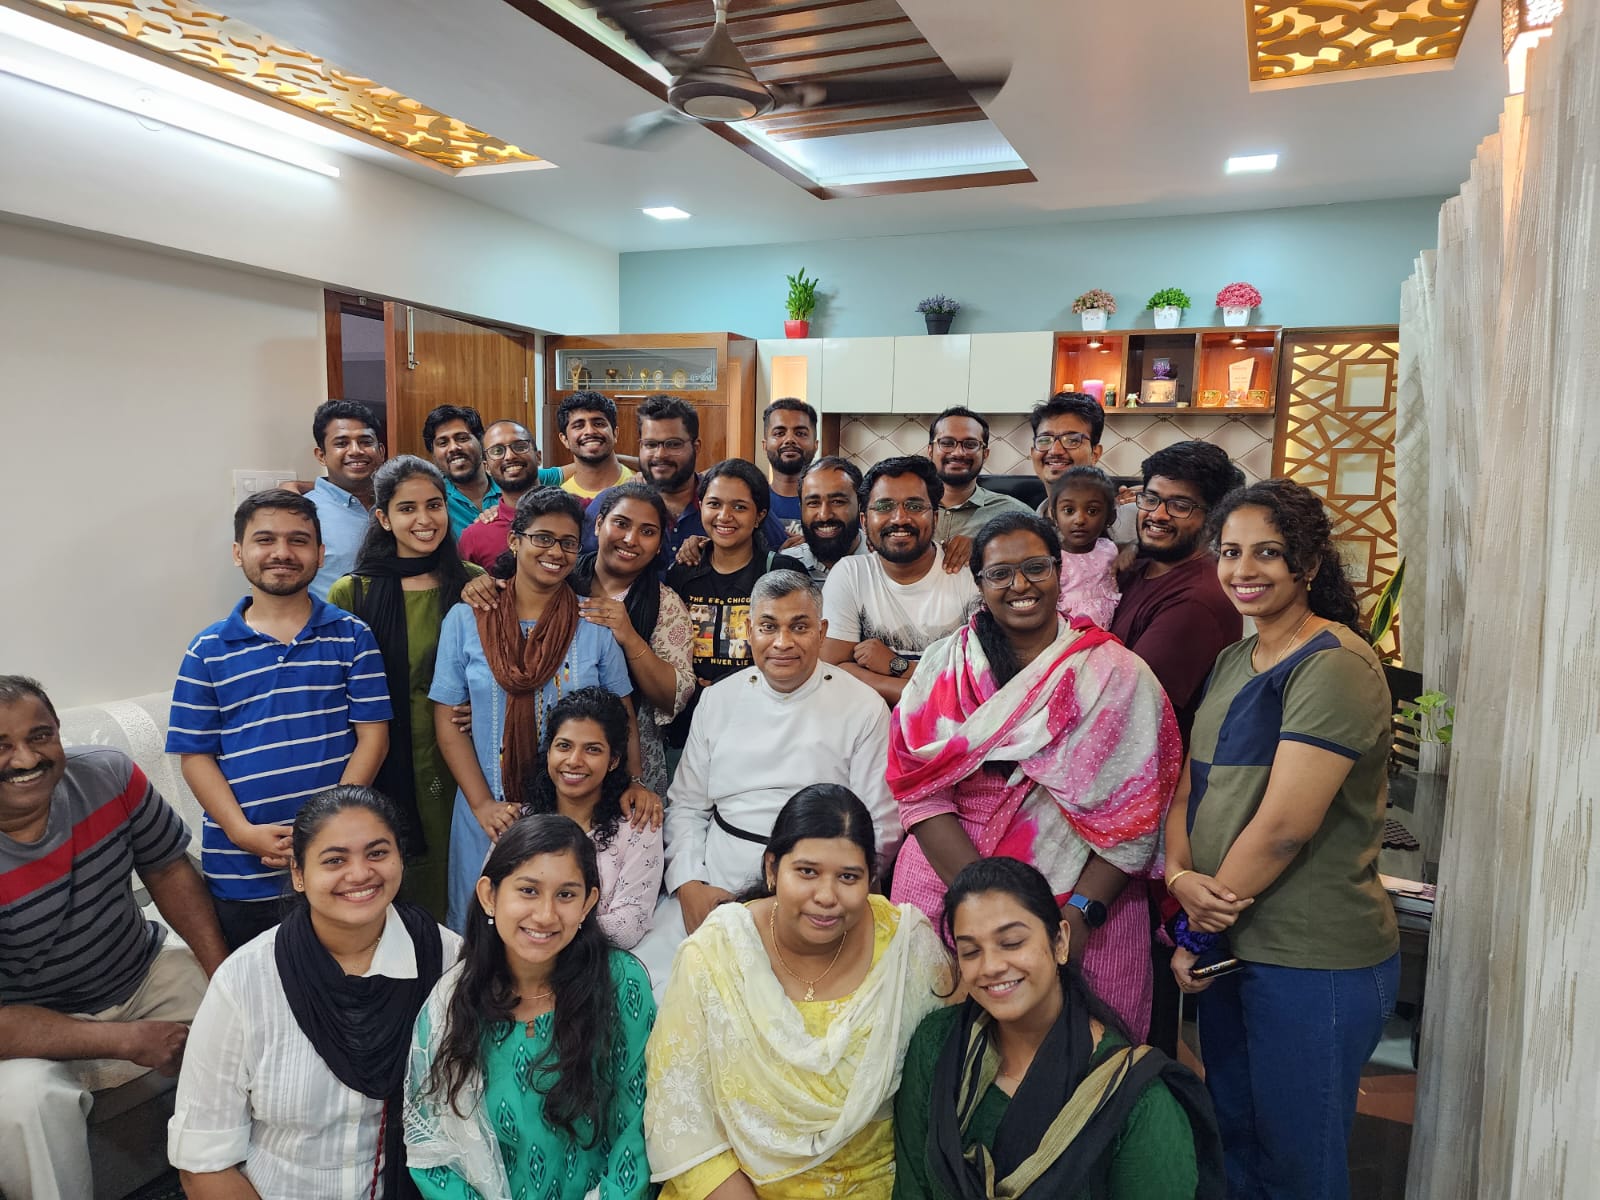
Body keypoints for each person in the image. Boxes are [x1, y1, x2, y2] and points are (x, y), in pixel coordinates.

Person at [1165, 479, 1399, 1200]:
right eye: (1230, 552)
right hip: (1234, 944)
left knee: (1300, 1164)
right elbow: (1189, 788)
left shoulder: (1334, 664)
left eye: (1267, 553)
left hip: (1311, 957)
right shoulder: (1234, 660)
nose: (1244, 570)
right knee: (1238, 1141)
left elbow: (1283, 829)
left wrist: (1197, 931)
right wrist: (1177, 877)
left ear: (1309, 563)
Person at [887, 513, 1181, 1040]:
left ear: (1059, 571)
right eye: (1000, 573)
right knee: (935, 1048)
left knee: (1084, 1057)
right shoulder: (943, 667)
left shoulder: (1116, 674)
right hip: (947, 878)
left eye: (1036, 568)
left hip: (1084, 900)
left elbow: (1136, 819)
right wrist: (982, 906)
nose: (1020, 585)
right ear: (979, 583)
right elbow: (919, 792)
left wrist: (1079, 918)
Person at [646, 785, 949, 1200]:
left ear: (871, 879)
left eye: (848, 877)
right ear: (772, 868)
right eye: (807, 872)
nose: (826, 896)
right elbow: (683, 1120)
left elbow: (941, 1097)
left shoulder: (905, 951)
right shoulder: (716, 954)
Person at [0, 676, 228, 1200]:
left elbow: (167, 869)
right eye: (2, 745)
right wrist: (126, 1040)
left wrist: (224, 978)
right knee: (23, 1105)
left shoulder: (108, 774)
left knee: (261, 1016)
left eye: (39, 736)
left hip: (141, 972)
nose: (25, 759)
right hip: (28, 1025)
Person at [170, 787, 459, 1200]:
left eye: (377, 853)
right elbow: (203, 1164)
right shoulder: (245, 982)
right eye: (335, 860)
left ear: (400, 859)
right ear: (299, 874)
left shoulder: (448, 961)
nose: (359, 874)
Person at [893, 857, 1223, 1200]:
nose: (990, 966)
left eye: (1012, 942)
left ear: (1061, 942)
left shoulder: (1136, 1099)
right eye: (971, 951)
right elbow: (911, 1187)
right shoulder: (938, 1045)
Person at [634, 571, 900, 988]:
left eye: (799, 627)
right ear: (748, 630)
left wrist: (825, 895)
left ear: (822, 632)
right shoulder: (718, 699)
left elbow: (881, 828)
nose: (782, 643)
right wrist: (688, 884)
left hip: (821, 895)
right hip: (718, 882)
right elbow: (686, 806)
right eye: (769, 627)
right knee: (656, 985)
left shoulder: (863, 707)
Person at [167, 489, 393, 949]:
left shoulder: (352, 636)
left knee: (347, 972)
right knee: (259, 982)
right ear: (239, 552)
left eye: (298, 540)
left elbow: (373, 739)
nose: (282, 553)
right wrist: (242, 832)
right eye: (265, 539)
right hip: (241, 870)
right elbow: (195, 756)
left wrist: (328, 829)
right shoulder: (207, 650)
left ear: (320, 554)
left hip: (339, 861)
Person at [428, 487, 646, 932]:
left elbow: (622, 719)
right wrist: (483, 805)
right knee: (483, 935)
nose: (555, 552)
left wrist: (634, 781)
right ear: (515, 540)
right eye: (542, 538)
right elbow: (448, 722)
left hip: (574, 814)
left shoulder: (593, 623)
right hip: (489, 812)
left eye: (568, 543)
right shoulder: (467, 619)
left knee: (557, 928)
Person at [404, 814, 655, 1200]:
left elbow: (638, 1126)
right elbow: (431, 1151)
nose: (545, 915)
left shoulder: (620, 984)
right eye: (528, 891)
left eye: (566, 895)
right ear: (489, 896)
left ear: (588, 903)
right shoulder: (452, 1002)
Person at [328, 456, 482, 919]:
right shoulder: (353, 593)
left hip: (463, 755)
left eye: (434, 505)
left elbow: (498, 669)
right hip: (384, 756)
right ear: (383, 518)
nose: (424, 519)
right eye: (407, 508)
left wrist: (483, 703)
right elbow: (338, 691)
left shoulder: (474, 584)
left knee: (464, 874)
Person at [1109, 441, 1245, 745]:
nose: (1158, 515)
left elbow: (1127, 707)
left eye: (1180, 506)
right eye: (1151, 499)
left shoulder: (1197, 600)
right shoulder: (1135, 565)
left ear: (1215, 519)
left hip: (1134, 761)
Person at [664, 458, 805, 742]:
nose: (724, 516)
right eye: (714, 504)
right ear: (701, 506)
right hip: (692, 726)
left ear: (759, 515)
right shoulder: (683, 572)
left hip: (764, 724)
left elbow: (801, 649)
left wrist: (725, 687)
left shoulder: (782, 572)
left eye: (739, 507)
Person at [820, 456, 979, 705]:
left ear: (935, 517)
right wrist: (935, 693)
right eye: (884, 506)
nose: (900, 518)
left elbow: (979, 681)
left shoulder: (968, 573)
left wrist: (896, 665)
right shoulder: (851, 574)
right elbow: (833, 673)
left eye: (915, 506)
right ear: (864, 521)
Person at [571, 481, 695, 794]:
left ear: (659, 544)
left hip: (632, 770)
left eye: (647, 531)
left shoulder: (666, 605)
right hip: (557, 753)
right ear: (599, 524)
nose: (631, 539)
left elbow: (673, 697)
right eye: (621, 524)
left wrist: (629, 636)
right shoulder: (560, 581)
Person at [520, 688, 664, 949]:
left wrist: (545, 930)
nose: (574, 761)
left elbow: (629, 925)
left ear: (613, 761)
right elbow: (493, 903)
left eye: (592, 750)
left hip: (596, 964)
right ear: (549, 752)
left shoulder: (637, 827)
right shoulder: (519, 822)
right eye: (564, 746)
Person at [581, 394, 785, 574]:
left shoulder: (732, 503)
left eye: (673, 444)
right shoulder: (612, 504)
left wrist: (718, 546)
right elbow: (578, 566)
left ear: (696, 447)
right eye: (651, 444)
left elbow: (780, 556)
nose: (660, 455)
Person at [1027, 393, 1137, 547]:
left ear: (1095, 453)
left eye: (1072, 440)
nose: (1055, 450)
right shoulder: (1026, 529)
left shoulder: (1132, 519)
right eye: (1045, 440)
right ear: (1033, 453)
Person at [307, 399, 387, 600]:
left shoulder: (398, 506)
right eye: (341, 443)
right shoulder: (303, 513)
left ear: (381, 451)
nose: (356, 451)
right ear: (321, 455)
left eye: (365, 442)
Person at [456, 419, 560, 569]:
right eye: (497, 451)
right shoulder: (473, 537)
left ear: (538, 457)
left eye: (520, 446)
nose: (510, 456)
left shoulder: (576, 512)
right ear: (487, 468)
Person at [928, 406, 1032, 544]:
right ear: (930, 450)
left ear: (985, 454)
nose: (958, 453)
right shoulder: (907, 509)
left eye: (970, 444)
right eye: (947, 443)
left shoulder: (1016, 513)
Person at [1047, 466, 1121, 629]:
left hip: (1108, 633)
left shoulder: (1109, 549)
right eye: (1069, 510)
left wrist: (1133, 548)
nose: (1079, 519)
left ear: (1110, 517)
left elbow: (1131, 549)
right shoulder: (1053, 558)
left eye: (1092, 511)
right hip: (1067, 634)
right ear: (1054, 515)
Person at [424, 405, 503, 538]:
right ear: (433, 454)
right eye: (443, 443)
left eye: (462, 438)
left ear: (481, 442)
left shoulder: (510, 485)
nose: (453, 448)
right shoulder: (433, 500)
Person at [788, 455, 870, 584]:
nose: (824, 515)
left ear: (861, 506)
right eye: (813, 503)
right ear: (801, 508)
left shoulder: (887, 564)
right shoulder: (784, 567)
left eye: (837, 502)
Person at [557, 390, 633, 504]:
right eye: (578, 426)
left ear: (615, 433)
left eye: (599, 424)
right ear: (564, 439)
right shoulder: (561, 501)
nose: (590, 431)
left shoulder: (642, 484)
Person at [761, 396, 818, 538]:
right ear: (765, 444)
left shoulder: (835, 504)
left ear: (815, 445)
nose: (790, 440)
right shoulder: (751, 502)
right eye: (779, 433)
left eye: (800, 433)